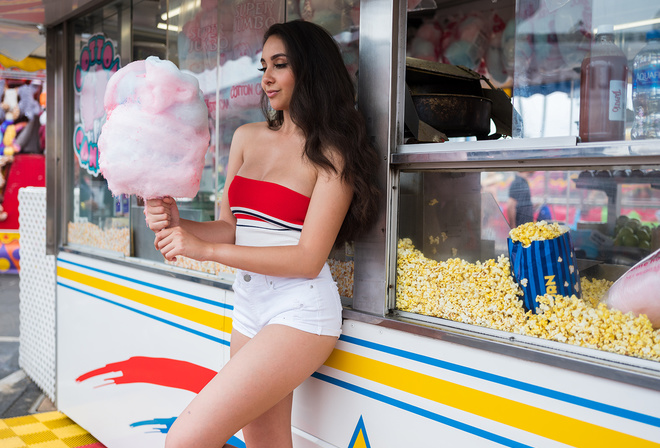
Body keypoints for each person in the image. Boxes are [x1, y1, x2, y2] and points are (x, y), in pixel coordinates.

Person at [145, 20, 380, 448]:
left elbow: (307, 259)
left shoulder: (335, 152)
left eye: (280, 65)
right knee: (264, 442)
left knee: (185, 439)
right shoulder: (246, 137)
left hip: (301, 312)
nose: (267, 78)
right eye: (263, 67)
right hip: (250, 306)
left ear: (309, 71)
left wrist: (206, 250)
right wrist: (178, 222)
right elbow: (232, 227)